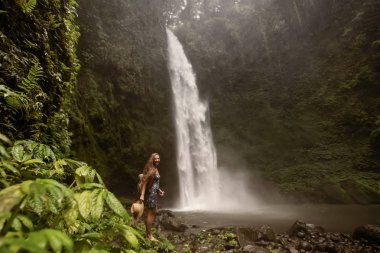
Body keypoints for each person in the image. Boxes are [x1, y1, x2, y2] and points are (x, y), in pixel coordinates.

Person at [139, 153, 165, 241]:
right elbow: (145, 182)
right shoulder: (152, 170)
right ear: (152, 160)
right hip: (151, 194)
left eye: (158, 158)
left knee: (152, 212)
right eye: (156, 158)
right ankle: (148, 236)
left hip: (153, 193)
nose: (157, 160)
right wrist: (142, 195)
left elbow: (154, 183)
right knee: (151, 213)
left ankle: (148, 234)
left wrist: (159, 190)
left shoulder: (155, 169)